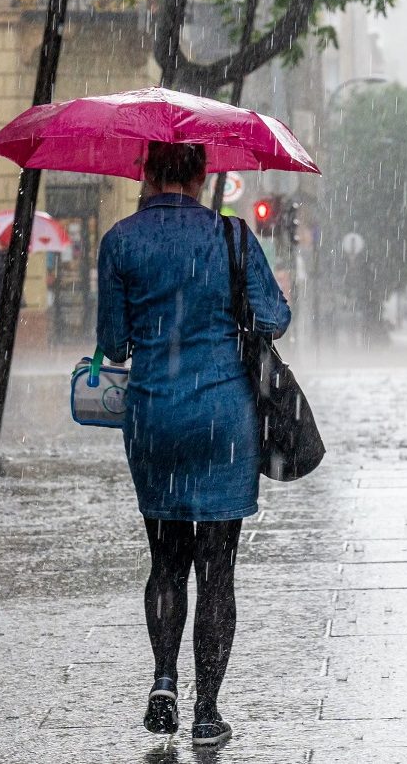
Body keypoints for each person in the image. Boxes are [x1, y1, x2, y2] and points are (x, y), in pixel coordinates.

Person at [95, 141, 289, 746]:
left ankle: (162, 679)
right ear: (203, 176)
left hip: (154, 417)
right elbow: (275, 318)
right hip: (222, 418)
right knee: (217, 569)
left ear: (146, 173)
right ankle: (207, 711)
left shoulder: (120, 241)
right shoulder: (231, 238)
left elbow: (114, 343)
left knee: (165, 561)